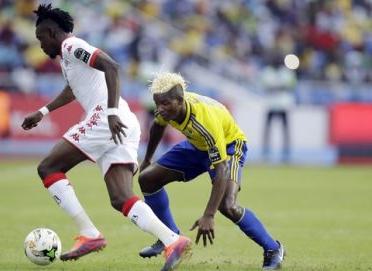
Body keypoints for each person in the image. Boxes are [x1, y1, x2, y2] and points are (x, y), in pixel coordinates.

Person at [20, 5, 190, 270]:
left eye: (41, 38)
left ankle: (89, 233)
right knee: (121, 198)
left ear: (52, 32)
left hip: (106, 118)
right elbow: (73, 89)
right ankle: (172, 240)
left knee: (48, 167)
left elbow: (111, 66)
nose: (40, 45)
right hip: (122, 122)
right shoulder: (68, 58)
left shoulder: (70, 46)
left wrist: (110, 113)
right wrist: (43, 111)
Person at [137, 72, 285, 270]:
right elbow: (157, 125)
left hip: (230, 147)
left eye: (164, 104)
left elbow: (222, 167)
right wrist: (147, 159)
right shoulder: (166, 106)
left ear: (180, 101)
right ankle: (171, 239)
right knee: (147, 179)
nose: (160, 109)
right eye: (157, 104)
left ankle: (273, 249)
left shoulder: (203, 121)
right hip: (197, 146)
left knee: (228, 206)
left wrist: (209, 215)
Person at [261, 53, 296, 163]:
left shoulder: (287, 72)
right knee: (268, 129)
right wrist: (280, 86)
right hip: (271, 104)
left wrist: (275, 86)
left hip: (283, 104)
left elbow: (292, 84)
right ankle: (266, 152)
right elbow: (265, 85)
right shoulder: (267, 71)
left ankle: (286, 152)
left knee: (285, 130)